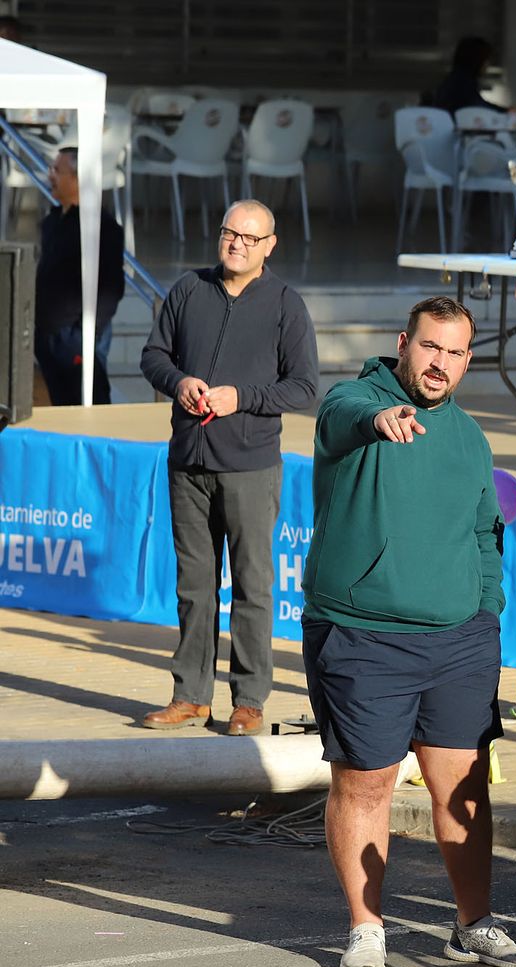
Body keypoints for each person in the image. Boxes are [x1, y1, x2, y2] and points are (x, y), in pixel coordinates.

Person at [301, 296, 516, 967]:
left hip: (459, 641)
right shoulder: (354, 401)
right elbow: (342, 416)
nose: (440, 363)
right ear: (404, 344)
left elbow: (486, 535)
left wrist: (486, 614)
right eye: (430, 347)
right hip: (363, 632)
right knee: (366, 783)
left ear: (467, 360)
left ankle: (473, 924)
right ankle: (366, 928)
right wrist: (380, 420)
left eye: (455, 353)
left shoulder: (469, 437)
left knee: (463, 786)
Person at [138, 200, 317, 737]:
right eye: (229, 233)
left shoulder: (286, 305)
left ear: (269, 246)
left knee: (252, 587)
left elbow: (304, 387)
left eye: (248, 236)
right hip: (187, 463)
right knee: (193, 587)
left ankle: (249, 701)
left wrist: (242, 397)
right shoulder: (188, 289)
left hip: (249, 467)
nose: (236, 243)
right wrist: (179, 383)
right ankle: (191, 696)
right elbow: (153, 356)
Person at [34, 147, 123, 405]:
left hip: (77, 338)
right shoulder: (53, 221)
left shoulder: (101, 228)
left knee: (90, 404)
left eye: (57, 170)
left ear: (77, 178)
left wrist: (84, 335)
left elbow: (111, 288)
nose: (50, 175)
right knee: (60, 406)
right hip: (48, 335)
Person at [426, 36, 502, 115]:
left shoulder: (455, 79)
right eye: (486, 59)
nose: (487, 65)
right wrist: (504, 112)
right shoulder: (463, 82)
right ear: (477, 60)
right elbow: (478, 106)